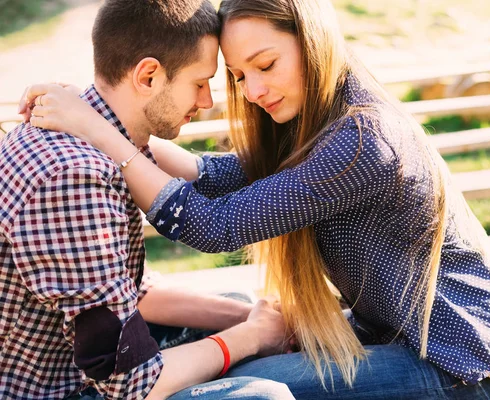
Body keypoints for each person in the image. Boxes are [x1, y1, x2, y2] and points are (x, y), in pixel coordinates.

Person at [19, 0, 490, 398]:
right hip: (398, 335)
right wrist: (103, 112)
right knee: (237, 356)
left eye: (265, 64)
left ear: (311, 43)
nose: (253, 90)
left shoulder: (363, 141)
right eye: (240, 76)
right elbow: (215, 174)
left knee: (245, 381)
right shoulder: (318, 119)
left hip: (464, 364)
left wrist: (100, 129)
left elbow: (214, 227)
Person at [1, 1, 296, 400]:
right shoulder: (74, 177)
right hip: (55, 391)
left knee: (236, 303)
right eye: (199, 82)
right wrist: (252, 335)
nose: (207, 100)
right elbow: (132, 381)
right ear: (149, 75)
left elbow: (130, 291)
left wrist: (248, 318)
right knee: (265, 396)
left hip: (78, 369)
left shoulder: (100, 138)